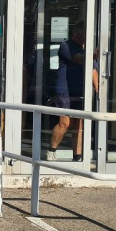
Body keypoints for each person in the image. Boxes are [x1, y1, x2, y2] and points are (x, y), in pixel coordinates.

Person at [47, 24, 99, 161]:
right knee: (65, 123)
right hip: (64, 89)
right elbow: (77, 59)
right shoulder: (66, 45)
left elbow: (93, 71)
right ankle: (51, 151)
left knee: (79, 124)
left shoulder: (86, 48)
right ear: (74, 33)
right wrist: (95, 55)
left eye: (84, 36)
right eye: (80, 36)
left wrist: (98, 88)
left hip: (81, 89)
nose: (82, 39)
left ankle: (77, 157)